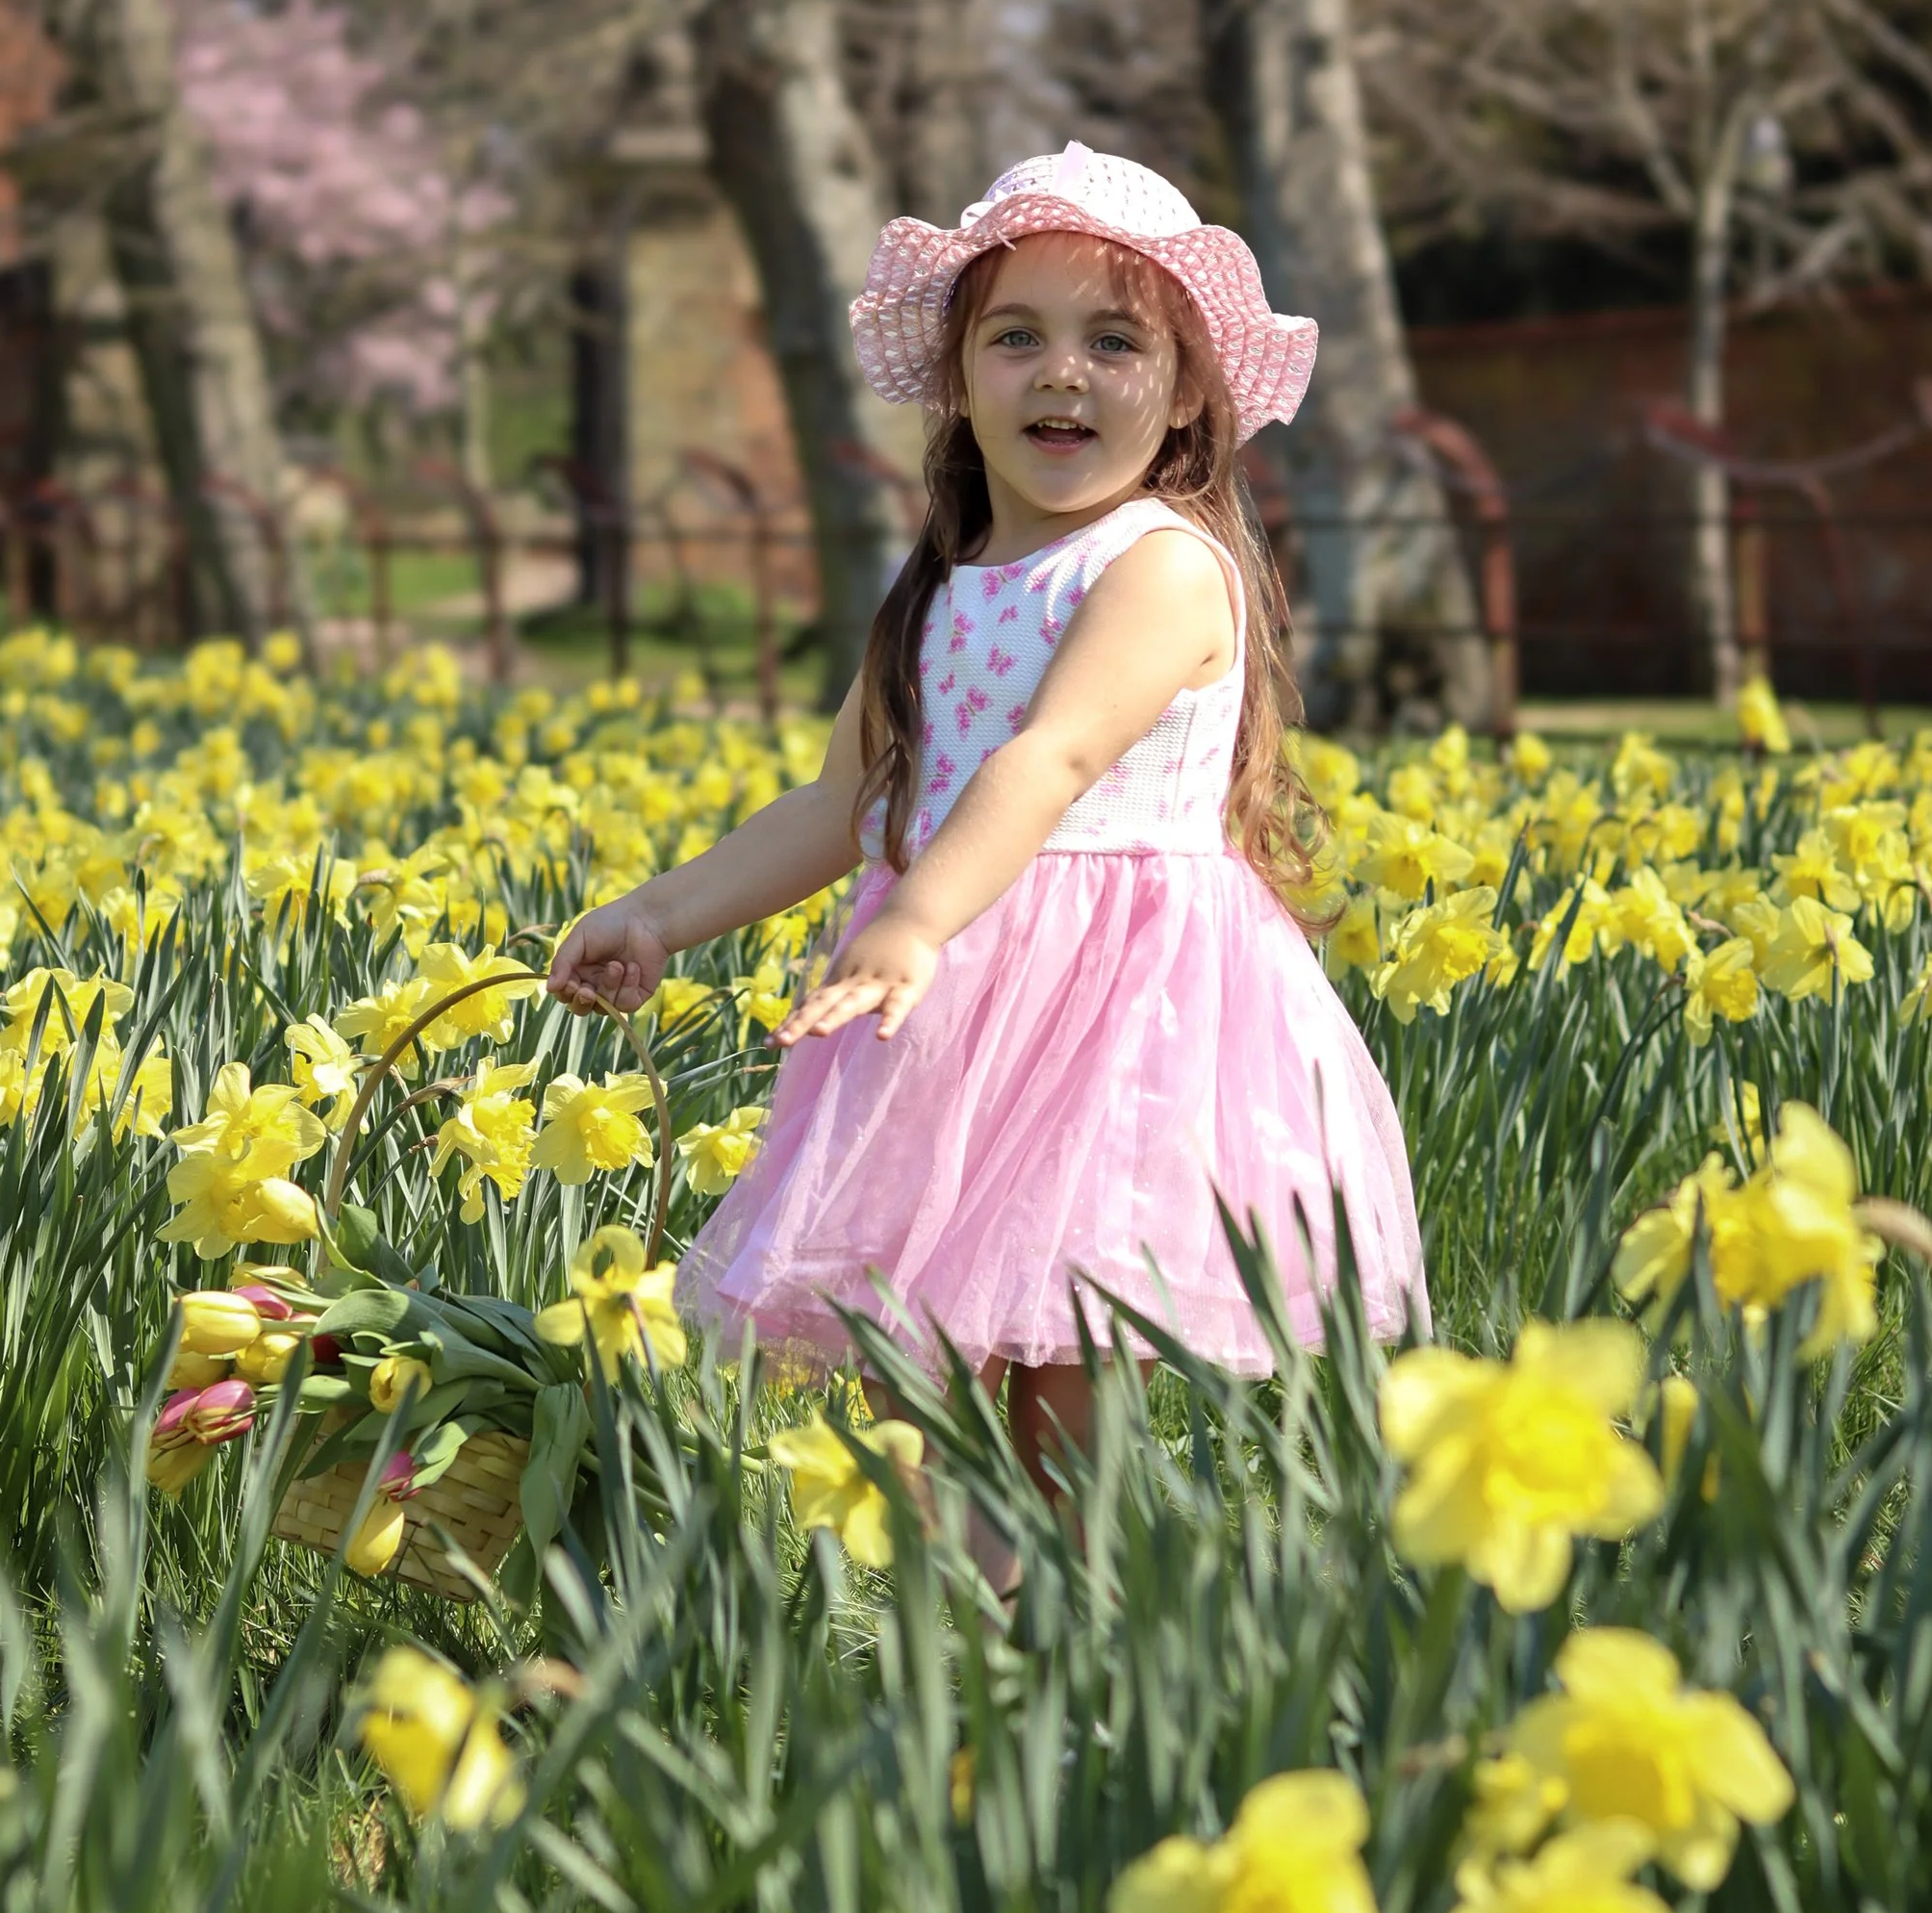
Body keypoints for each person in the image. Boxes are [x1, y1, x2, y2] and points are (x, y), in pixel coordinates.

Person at [545, 142, 1427, 1497]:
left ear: (1188, 386)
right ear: (960, 376)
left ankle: (1069, 1641)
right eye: (1016, 336)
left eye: (1114, 339)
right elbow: (844, 802)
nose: (1060, 370)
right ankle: (966, 1642)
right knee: (936, 1388)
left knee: (1069, 1373)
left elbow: (1050, 759)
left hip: (1127, 1020)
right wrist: (659, 913)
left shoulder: (1163, 566)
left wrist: (916, 920)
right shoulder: (946, 582)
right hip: (961, 1009)